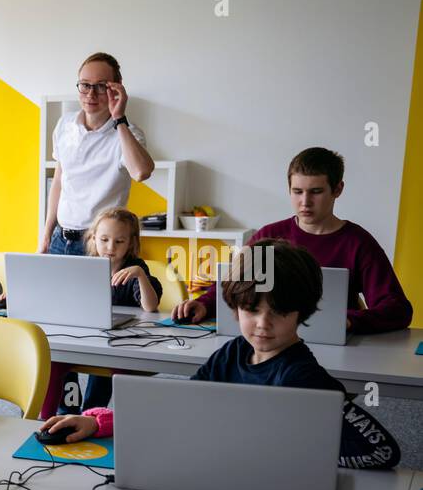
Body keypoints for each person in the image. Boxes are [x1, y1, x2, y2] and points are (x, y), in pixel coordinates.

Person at [42, 239, 400, 470]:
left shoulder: (300, 376)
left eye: (278, 312)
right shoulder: (233, 352)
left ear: (302, 313)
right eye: (251, 310)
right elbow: (186, 404)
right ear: (235, 309)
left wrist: (303, 458)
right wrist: (100, 422)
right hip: (222, 474)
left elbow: (381, 450)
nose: (262, 324)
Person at [172, 147, 413, 333]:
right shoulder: (269, 235)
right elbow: (231, 284)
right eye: (297, 192)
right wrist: (204, 303)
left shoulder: (357, 242)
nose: (305, 202)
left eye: (316, 192)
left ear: (337, 189)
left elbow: (397, 310)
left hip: (330, 345)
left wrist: (348, 321)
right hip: (267, 339)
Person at [46, 208, 163, 414]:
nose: (110, 247)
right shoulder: (86, 265)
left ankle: (91, 412)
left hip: (121, 340)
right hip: (87, 333)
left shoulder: (134, 267)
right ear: (93, 239)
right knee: (55, 358)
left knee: (106, 366)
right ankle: (62, 411)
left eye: (119, 241)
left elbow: (150, 306)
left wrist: (141, 276)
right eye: (104, 239)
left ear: (130, 243)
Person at [40, 52, 154, 256]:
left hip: (99, 244)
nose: (91, 94)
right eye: (85, 85)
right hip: (60, 238)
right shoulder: (65, 124)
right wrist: (46, 233)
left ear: (117, 88)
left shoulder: (127, 133)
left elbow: (141, 172)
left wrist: (119, 118)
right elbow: (59, 180)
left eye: (101, 86)